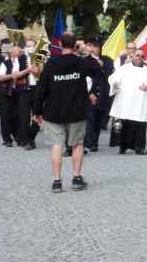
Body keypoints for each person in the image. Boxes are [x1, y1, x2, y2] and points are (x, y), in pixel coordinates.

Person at [33, 31, 104, 193]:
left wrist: (37, 111)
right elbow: (98, 70)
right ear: (75, 45)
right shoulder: (81, 62)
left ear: (60, 43)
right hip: (77, 111)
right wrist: (84, 52)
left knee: (57, 146)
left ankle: (57, 181)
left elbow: (41, 90)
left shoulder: (51, 64)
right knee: (78, 144)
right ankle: (77, 178)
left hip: (54, 111)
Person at [108, 48, 147, 154]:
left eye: (142, 56)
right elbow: (112, 78)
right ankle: (123, 147)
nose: (139, 58)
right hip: (124, 101)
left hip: (139, 103)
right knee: (124, 124)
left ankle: (139, 147)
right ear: (133, 56)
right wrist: (115, 83)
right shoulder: (124, 68)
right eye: (137, 55)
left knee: (139, 125)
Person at [0, 45, 37, 148]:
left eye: (19, 54)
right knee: (6, 116)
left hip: (18, 92)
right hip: (6, 92)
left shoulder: (24, 62)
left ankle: (19, 137)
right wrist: (12, 76)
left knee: (18, 116)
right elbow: (0, 77)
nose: (17, 56)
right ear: (11, 54)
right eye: (15, 54)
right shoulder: (6, 63)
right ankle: (7, 139)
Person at [84, 38, 115, 152]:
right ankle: (90, 143)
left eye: (97, 47)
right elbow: (84, 79)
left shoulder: (107, 60)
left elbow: (110, 76)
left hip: (103, 94)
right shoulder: (85, 60)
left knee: (98, 120)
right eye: (93, 46)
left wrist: (101, 68)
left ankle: (95, 142)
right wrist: (89, 93)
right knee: (90, 119)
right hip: (90, 94)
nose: (95, 49)